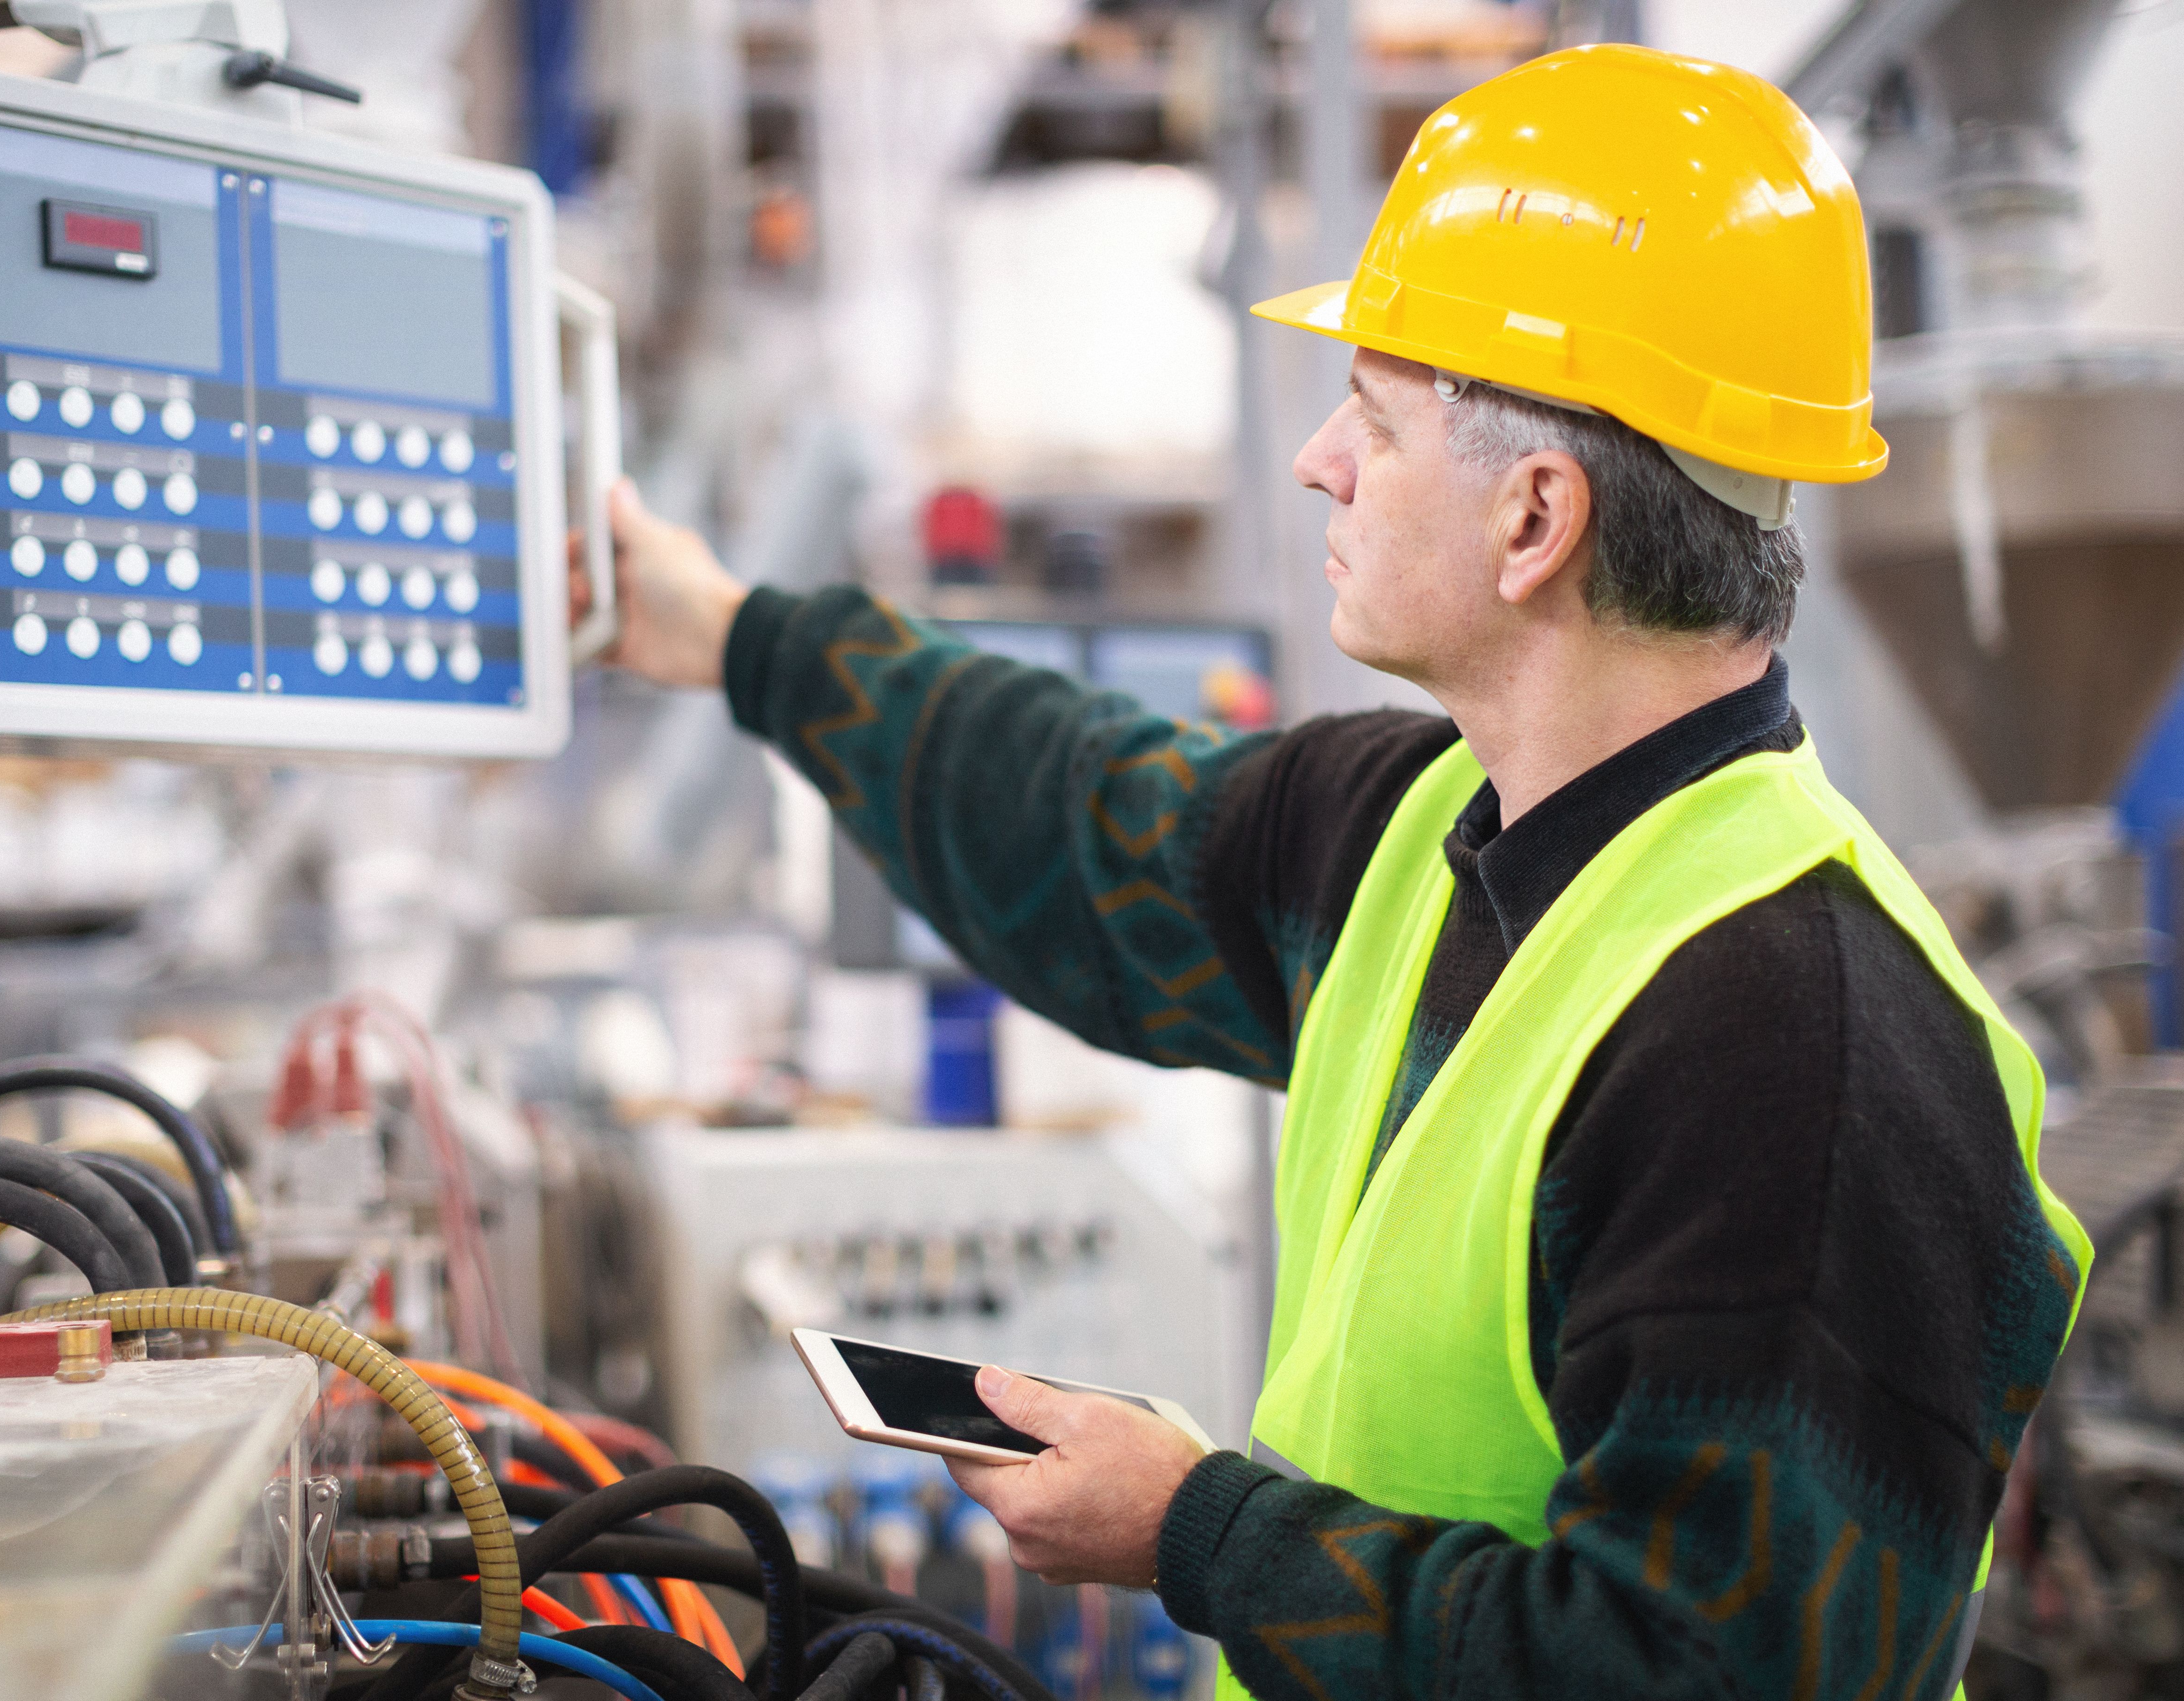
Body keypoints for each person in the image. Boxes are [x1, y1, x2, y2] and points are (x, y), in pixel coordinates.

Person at [579, 43, 2090, 1700]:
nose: (1319, 459)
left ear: (1535, 520)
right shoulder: (1426, 829)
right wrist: (732, 636)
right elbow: (1084, 824)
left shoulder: (1796, 1040)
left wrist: (1200, 1532)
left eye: (1374, 419)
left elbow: (1686, 1672)